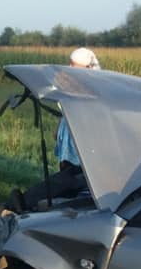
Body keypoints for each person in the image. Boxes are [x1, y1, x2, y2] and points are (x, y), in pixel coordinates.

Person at [10, 47, 100, 212]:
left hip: (80, 137)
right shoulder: (70, 83)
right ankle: (59, 204)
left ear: (87, 67)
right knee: (66, 170)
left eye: (74, 64)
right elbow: (64, 107)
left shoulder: (92, 87)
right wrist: (59, 129)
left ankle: (33, 202)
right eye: (70, 63)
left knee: (75, 175)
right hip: (68, 132)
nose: (70, 67)